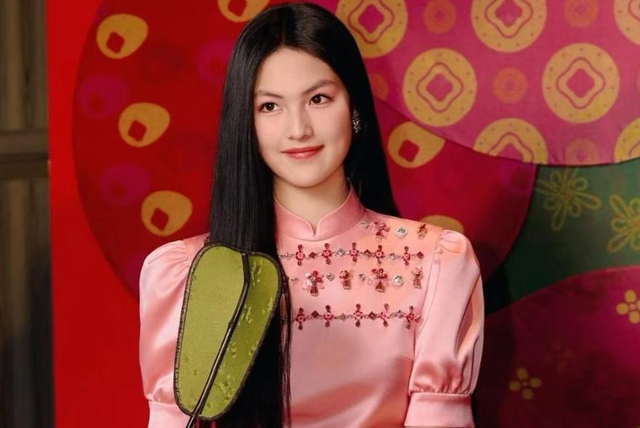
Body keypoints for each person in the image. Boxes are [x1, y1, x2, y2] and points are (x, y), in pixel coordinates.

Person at [138, 2, 484, 428]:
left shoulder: (435, 263)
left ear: (353, 107)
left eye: (318, 99)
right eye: (270, 107)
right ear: (245, 122)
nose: (298, 129)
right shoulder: (186, 274)